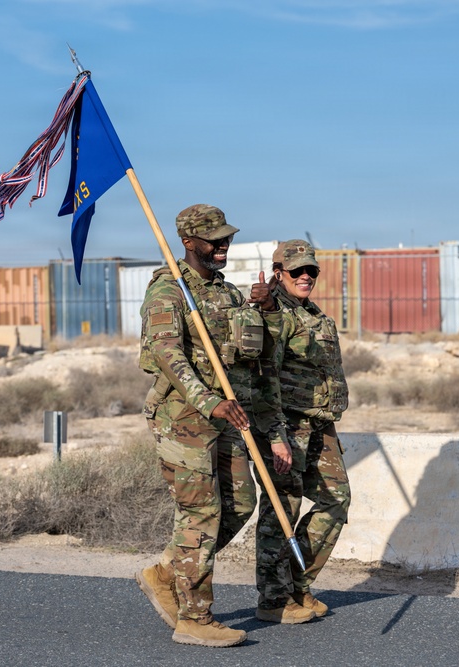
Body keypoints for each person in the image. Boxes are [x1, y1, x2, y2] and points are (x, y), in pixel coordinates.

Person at [135, 204, 293, 647]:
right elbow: (167, 353)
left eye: (226, 238)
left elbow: (257, 355)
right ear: (189, 242)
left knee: (239, 503)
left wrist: (266, 311)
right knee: (201, 514)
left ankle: (167, 572)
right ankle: (194, 618)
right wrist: (208, 401)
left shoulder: (227, 293)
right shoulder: (168, 290)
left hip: (229, 415)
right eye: (214, 240)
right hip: (183, 418)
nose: (224, 245)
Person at [248, 239, 352, 622]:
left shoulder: (312, 313)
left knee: (336, 499)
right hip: (286, 425)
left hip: (319, 424)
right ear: (279, 273)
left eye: (312, 270)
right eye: (297, 271)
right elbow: (264, 378)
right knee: (282, 508)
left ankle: (297, 583)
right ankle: (274, 598)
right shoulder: (272, 313)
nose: (306, 276)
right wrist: (276, 435)